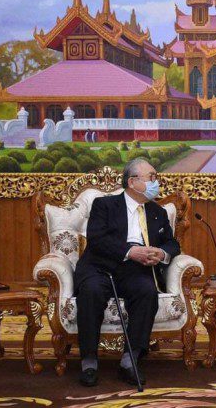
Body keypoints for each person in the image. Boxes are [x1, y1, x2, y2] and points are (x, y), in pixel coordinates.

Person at [74, 157, 180, 387]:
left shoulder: (158, 212)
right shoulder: (104, 205)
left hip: (135, 270)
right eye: (151, 177)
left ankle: (130, 360)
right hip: (100, 266)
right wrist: (131, 251)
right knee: (91, 291)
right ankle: (89, 361)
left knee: (147, 292)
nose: (156, 182)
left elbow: (172, 244)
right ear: (132, 182)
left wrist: (161, 253)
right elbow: (97, 239)